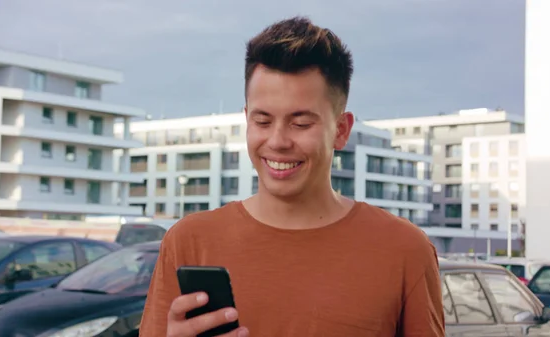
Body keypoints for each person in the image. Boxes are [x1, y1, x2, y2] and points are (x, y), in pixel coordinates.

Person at [140, 16, 444, 337]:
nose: (278, 141)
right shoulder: (188, 242)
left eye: (300, 123)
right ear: (247, 119)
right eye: (263, 121)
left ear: (341, 131)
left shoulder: (405, 250)